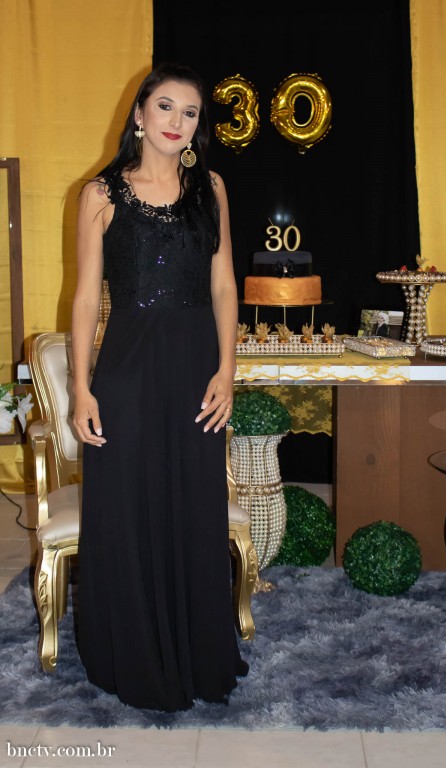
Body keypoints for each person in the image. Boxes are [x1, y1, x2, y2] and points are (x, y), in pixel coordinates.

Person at [71, 61, 248, 712]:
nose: (177, 121)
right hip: (127, 372)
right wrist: (82, 388)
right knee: (127, 510)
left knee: (193, 508)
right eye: (166, 107)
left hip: (197, 372)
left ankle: (196, 652)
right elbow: (85, 298)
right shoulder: (100, 194)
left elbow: (224, 285)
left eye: (190, 112)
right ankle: (133, 653)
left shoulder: (212, 189)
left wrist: (227, 369)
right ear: (140, 115)